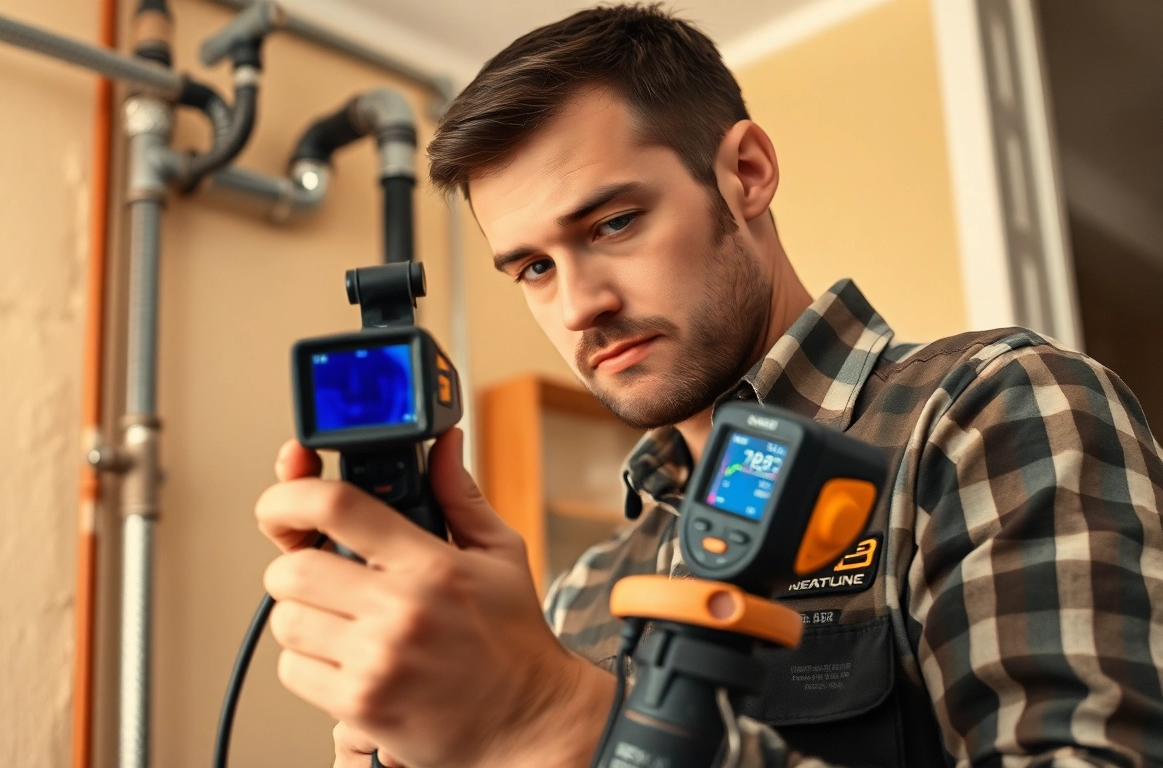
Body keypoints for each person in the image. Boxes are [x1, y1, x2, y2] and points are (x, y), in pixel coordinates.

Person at [254, 5, 1163, 767]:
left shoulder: (990, 412)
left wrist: (560, 716)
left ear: (747, 174)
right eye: (530, 268)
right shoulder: (586, 593)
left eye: (612, 223)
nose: (579, 306)